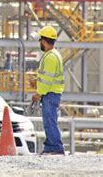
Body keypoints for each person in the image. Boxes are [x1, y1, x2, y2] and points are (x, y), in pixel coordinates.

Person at [32, 25, 65, 155]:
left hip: (50, 94)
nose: (40, 43)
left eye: (40, 40)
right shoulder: (54, 54)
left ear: (44, 41)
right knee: (49, 120)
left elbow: (47, 79)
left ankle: (56, 147)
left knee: (50, 121)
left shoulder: (50, 56)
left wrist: (38, 93)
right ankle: (50, 146)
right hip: (52, 93)